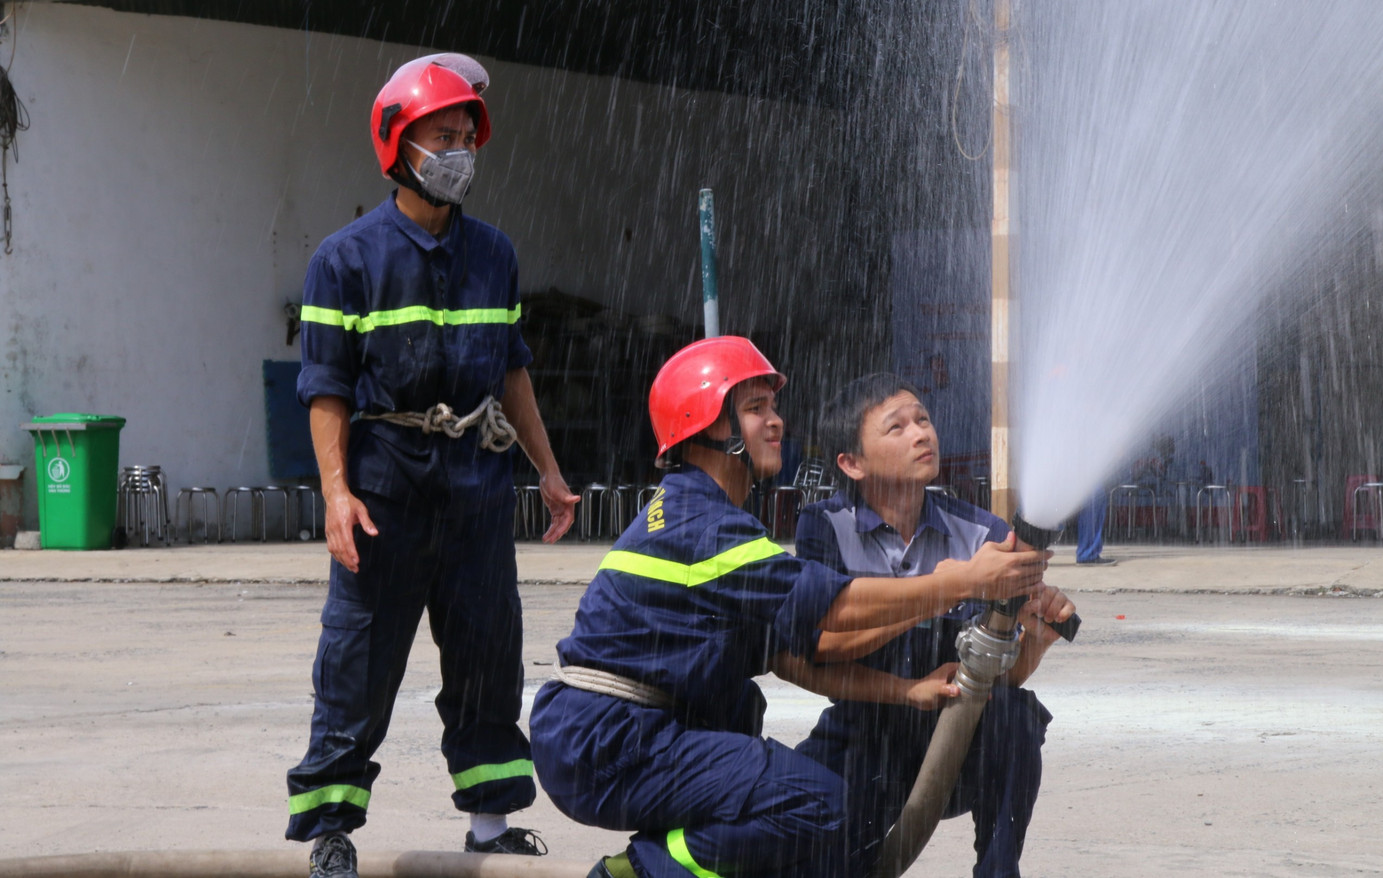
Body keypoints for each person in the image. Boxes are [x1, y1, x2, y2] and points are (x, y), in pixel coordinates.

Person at [529, 338, 1051, 878]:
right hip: (612, 735)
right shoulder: (704, 526)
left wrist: (911, 687)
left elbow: (788, 656)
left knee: (797, 804)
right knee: (813, 803)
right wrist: (956, 582)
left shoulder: (702, 512)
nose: (775, 422)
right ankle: (637, 872)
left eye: (772, 408)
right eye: (755, 410)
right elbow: (831, 615)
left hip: (617, 733)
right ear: (708, 426)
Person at [285, 53, 579, 878]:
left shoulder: (495, 255)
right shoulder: (344, 261)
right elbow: (325, 390)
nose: (458, 152)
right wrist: (336, 494)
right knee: (358, 664)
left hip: (477, 494)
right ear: (398, 146)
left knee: (489, 657)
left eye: (466, 138)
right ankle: (330, 831)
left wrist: (548, 471)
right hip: (385, 493)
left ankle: (490, 823)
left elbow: (512, 370)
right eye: (441, 137)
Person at [795, 373, 1076, 878]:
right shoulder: (825, 527)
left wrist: (1036, 637)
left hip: (958, 732)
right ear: (851, 463)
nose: (921, 434)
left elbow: (1002, 676)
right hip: (868, 729)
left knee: (1014, 715)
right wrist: (951, 589)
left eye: (923, 419)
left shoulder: (983, 533)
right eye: (896, 427)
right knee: (803, 832)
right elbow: (821, 648)